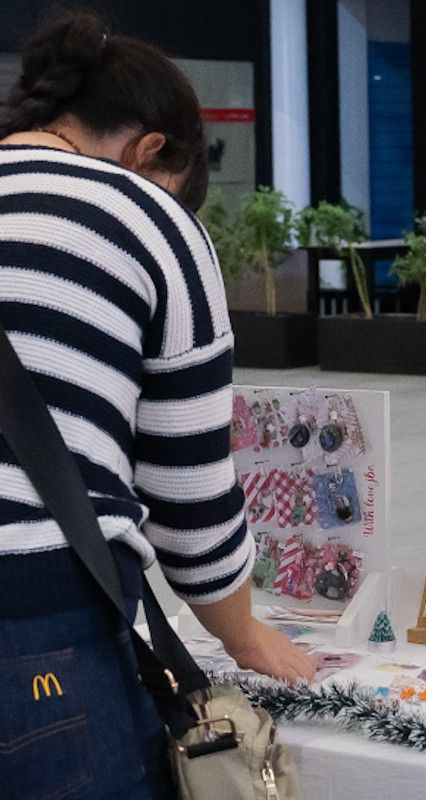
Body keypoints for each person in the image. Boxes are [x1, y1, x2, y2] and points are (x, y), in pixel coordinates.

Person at [0, 12, 314, 799]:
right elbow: (187, 489)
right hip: (34, 622)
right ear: (150, 152)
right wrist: (242, 635)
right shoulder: (148, 221)